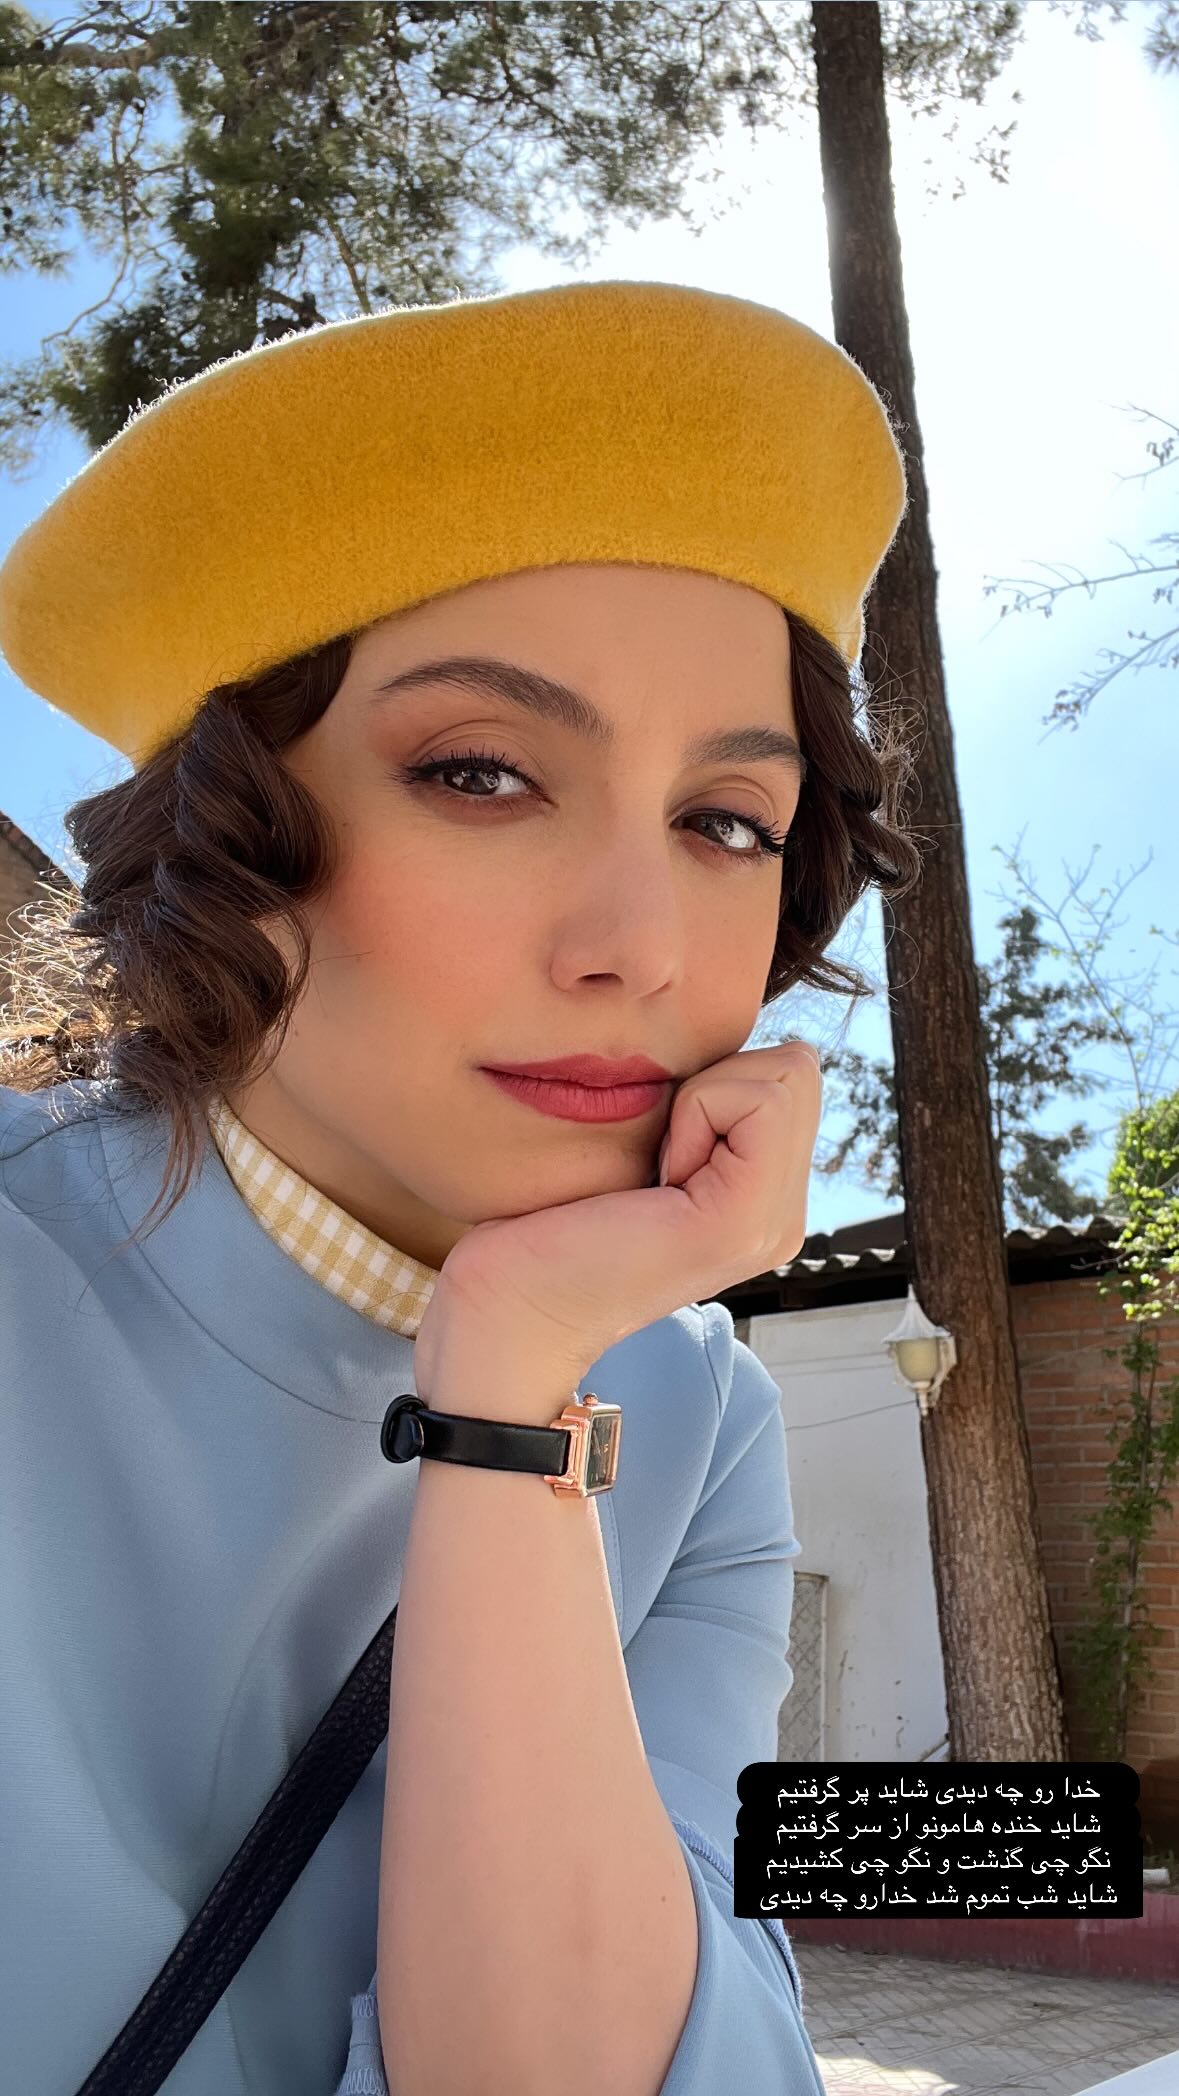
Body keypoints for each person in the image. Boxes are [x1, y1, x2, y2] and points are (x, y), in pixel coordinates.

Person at [0, 278, 921, 2096]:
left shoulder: (696, 1415)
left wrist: (508, 1389)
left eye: (726, 821)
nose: (642, 946)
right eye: (481, 774)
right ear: (222, 840)